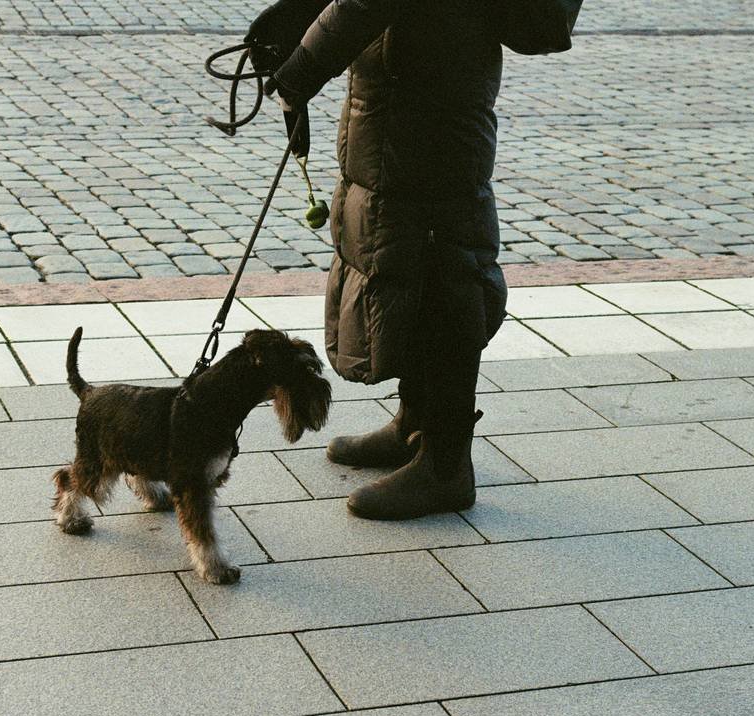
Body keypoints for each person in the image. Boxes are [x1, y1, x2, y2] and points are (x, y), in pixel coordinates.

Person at [245, 0, 574, 520]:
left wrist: (302, 68)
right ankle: (413, 426)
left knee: (446, 278)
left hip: (435, 106)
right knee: (407, 264)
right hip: (411, 89)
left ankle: (445, 466)